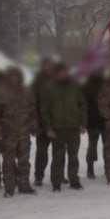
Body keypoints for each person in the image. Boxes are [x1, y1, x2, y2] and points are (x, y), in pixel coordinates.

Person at [0, 68, 37, 198]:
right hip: (8, 134)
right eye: (12, 76)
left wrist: (34, 127)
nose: (14, 79)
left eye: (16, 76)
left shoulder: (26, 92)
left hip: (24, 132)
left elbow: (33, 111)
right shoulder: (1, 93)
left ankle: (24, 185)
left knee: (24, 161)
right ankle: (9, 187)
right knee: (8, 162)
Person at [41, 63, 86, 192]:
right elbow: (44, 109)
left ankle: (74, 180)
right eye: (61, 72)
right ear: (56, 73)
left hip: (73, 126)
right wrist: (48, 127)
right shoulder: (48, 87)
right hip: (57, 128)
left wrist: (83, 123)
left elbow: (82, 104)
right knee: (58, 156)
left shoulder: (75, 85)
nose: (63, 74)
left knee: (73, 156)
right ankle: (56, 182)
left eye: (65, 72)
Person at [32, 58, 56, 187]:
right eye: (49, 65)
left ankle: (58, 175)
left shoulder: (58, 79)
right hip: (42, 122)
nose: (51, 67)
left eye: (52, 65)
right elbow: (33, 103)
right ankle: (39, 176)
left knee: (58, 151)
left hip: (58, 121)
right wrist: (36, 123)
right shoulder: (38, 81)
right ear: (43, 66)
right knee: (42, 151)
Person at [82, 71, 105, 180]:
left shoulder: (106, 84)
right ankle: (90, 169)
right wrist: (84, 121)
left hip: (105, 120)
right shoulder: (86, 86)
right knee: (92, 146)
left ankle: (109, 168)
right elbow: (83, 104)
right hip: (92, 121)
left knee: (108, 146)